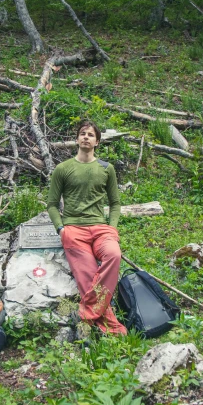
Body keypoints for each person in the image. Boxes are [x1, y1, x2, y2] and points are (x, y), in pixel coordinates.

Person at [47, 120, 127, 336]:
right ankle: (112, 327)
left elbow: (115, 203)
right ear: (77, 139)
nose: (86, 137)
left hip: (101, 229)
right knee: (89, 276)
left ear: (97, 142)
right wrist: (61, 229)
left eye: (91, 135)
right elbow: (52, 205)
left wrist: (112, 228)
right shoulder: (63, 169)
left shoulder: (106, 168)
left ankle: (85, 314)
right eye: (82, 133)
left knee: (114, 255)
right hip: (74, 231)